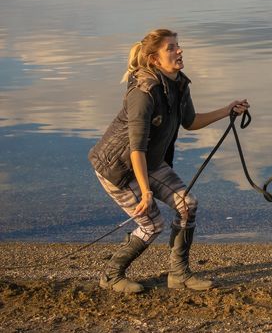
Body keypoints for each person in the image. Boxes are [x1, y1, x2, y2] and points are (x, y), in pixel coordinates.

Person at [88, 28, 249, 293]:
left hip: (148, 162)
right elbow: (135, 149)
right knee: (152, 225)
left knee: (188, 205)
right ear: (154, 59)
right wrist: (146, 192)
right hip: (118, 168)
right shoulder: (143, 91)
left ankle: (179, 275)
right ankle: (112, 275)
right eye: (171, 48)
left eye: (178, 45)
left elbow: (190, 122)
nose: (179, 50)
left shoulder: (179, 84)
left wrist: (227, 110)